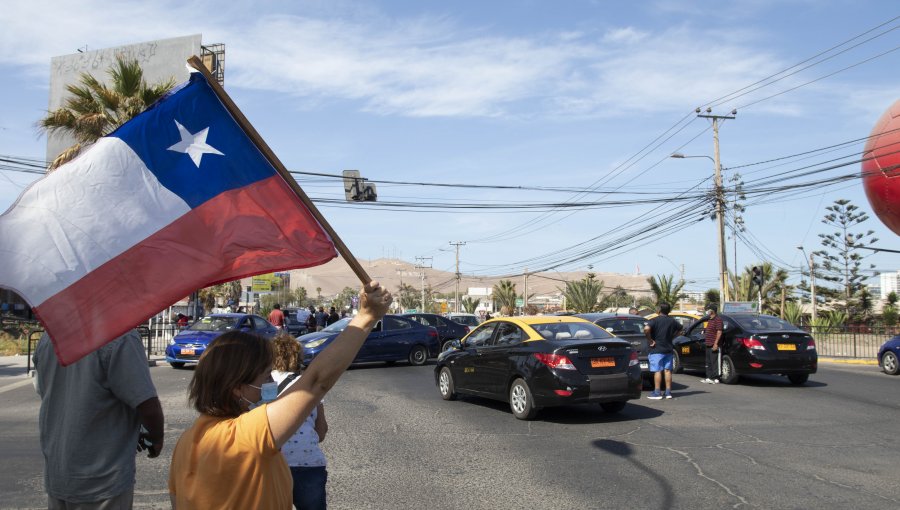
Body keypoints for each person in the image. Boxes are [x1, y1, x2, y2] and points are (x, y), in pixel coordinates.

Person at [169, 281, 392, 509]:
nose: (270, 383)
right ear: (237, 386)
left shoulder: (186, 442)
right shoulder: (245, 435)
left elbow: (177, 502)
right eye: (266, 376)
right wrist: (367, 316)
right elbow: (317, 381)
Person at [33, 330, 165, 508]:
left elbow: (44, 389)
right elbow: (147, 405)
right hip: (102, 480)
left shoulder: (50, 336)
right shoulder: (120, 336)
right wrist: (156, 438)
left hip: (58, 474)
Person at [271, 333, 329, 510]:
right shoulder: (309, 385)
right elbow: (321, 433)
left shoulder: (261, 384)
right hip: (308, 463)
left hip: (272, 465)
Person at [643, 302, 682, 400]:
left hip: (656, 349)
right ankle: (668, 392)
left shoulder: (654, 320)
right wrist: (672, 337)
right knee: (668, 371)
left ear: (659, 310)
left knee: (657, 371)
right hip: (668, 349)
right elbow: (681, 329)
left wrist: (650, 340)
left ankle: (657, 392)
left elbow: (646, 329)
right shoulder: (672, 321)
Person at [702, 304, 724, 384]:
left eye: (708, 309)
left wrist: (716, 344)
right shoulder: (710, 319)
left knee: (714, 362)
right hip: (708, 344)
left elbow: (719, 332)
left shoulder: (718, 320)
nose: (707, 311)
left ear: (712, 311)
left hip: (714, 344)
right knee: (708, 362)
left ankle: (716, 377)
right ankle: (709, 377)